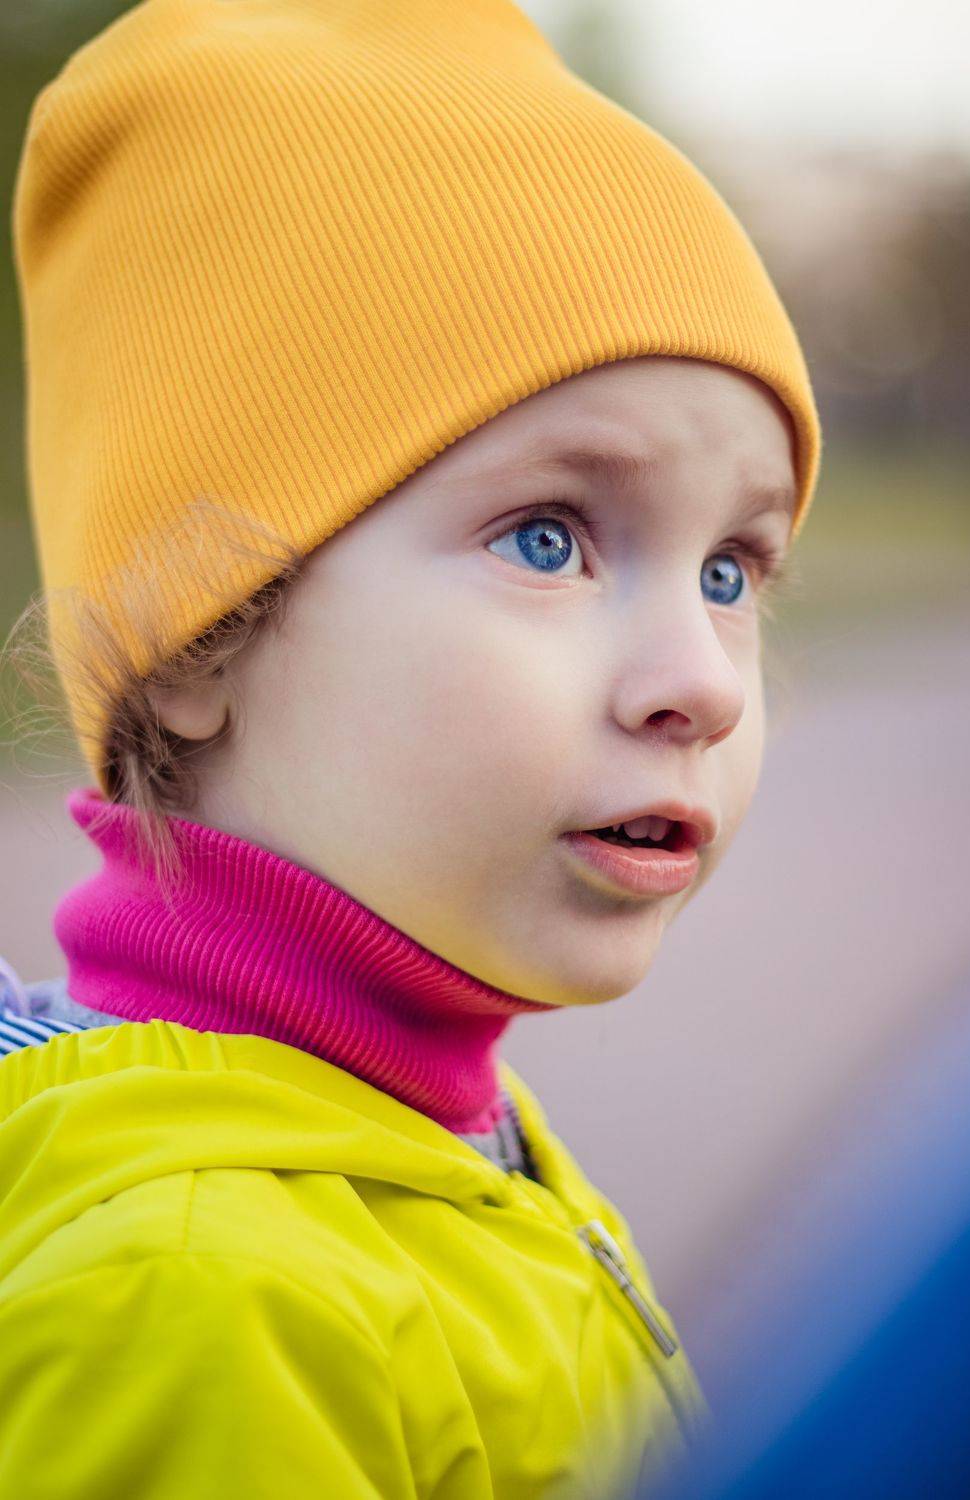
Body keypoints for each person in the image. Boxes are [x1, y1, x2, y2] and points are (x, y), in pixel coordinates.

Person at [0, 1, 821, 1496]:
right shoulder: (201, 1297)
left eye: (730, 570)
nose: (701, 682)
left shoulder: (427, 1133)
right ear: (196, 640)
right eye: (550, 537)